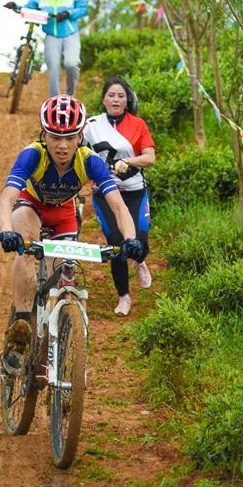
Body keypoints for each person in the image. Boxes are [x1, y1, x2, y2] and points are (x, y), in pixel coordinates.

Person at [0, 93, 144, 371]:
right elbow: (7, 198)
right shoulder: (32, 154)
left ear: (80, 137)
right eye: (55, 137)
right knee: (27, 249)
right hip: (31, 206)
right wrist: (6, 232)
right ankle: (21, 331)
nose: (62, 145)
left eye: (70, 137)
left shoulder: (90, 162)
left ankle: (55, 343)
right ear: (44, 135)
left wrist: (131, 239)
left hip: (64, 215)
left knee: (60, 275)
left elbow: (118, 206)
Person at [83, 76, 156, 316]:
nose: (116, 99)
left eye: (121, 96)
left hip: (135, 191)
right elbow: (78, 153)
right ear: (103, 99)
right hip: (106, 193)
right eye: (111, 95)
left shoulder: (138, 124)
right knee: (117, 244)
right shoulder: (91, 125)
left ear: (127, 100)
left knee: (139, 242)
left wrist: (128, 161)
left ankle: (139, 260)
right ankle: (124, 296)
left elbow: (150, 158)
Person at [4, 0, 88, 96]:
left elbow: (83, 9)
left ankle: (70, 97)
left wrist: (68, 13)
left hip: (70, 34)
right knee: (53, 69)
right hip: (51, 35)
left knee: (71, 64)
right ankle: (54, 102)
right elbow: (28, 7)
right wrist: (16, 6)